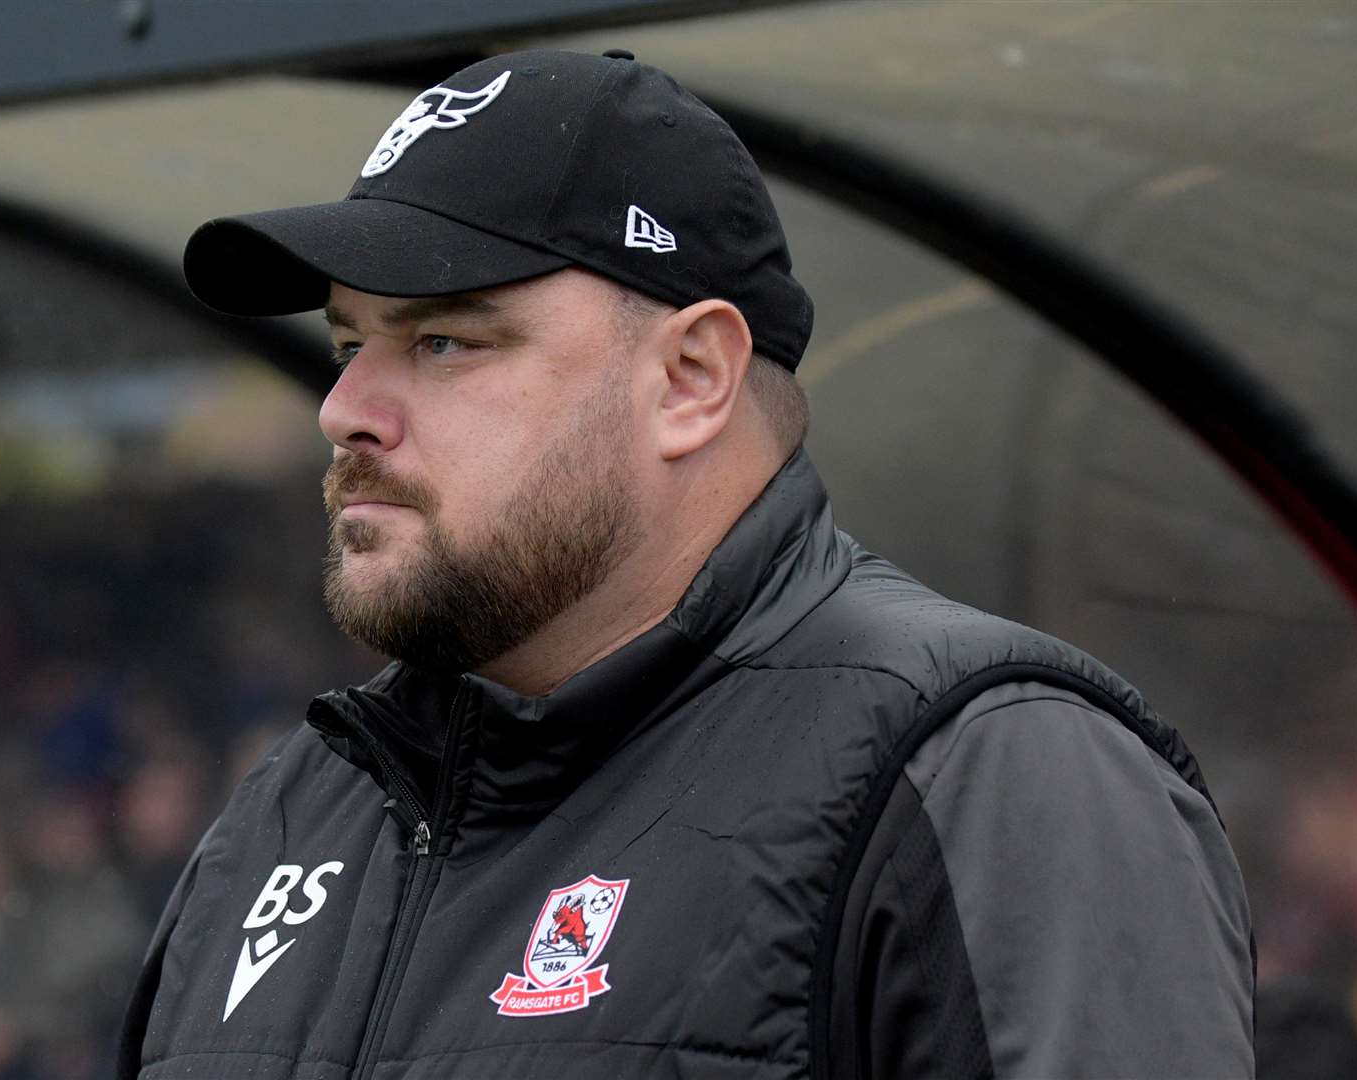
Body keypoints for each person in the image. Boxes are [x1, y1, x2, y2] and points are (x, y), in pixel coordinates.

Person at [119, 48, 1253, 1079]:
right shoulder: (296, 810)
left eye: (445, 340)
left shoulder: (986, 768)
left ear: (691, 377)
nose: (344, 410)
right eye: (349, 343)